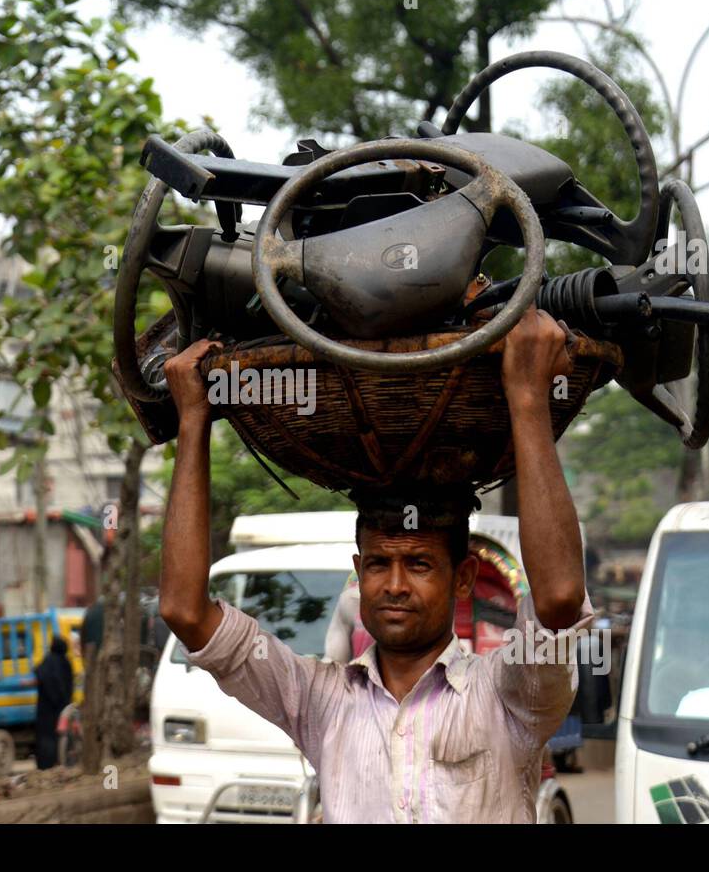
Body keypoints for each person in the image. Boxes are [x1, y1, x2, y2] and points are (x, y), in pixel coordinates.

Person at [158, 307, 593, 824]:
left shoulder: (506, 693)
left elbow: (561, 598)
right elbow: (185, 611)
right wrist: (192, 422)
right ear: (358, 570)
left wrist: (527, 400)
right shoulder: (320, 701)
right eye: (380, 564)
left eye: (420, 564)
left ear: (463, 578)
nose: (395, 586)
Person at [33, 637, 74, 770]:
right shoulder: (64, 662)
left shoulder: (46, 661)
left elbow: (38, 673)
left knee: (44, 737)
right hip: (59, 708)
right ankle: (58, 762)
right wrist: (63, 701)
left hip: (44, 708)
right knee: (59, 736)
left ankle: (44, 765)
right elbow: (64, 685)